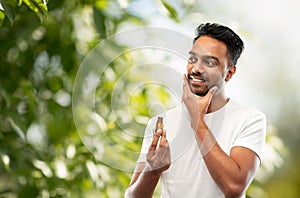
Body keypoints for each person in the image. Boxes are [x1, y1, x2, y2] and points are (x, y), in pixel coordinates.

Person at [125, 23, 266, 198]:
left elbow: (234, 187)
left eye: (209, 62)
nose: (196, 69)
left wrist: (197, 121)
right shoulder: (161, 123)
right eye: (192, 59)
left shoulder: (249, 119)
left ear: (229, 72)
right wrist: (152, 171)